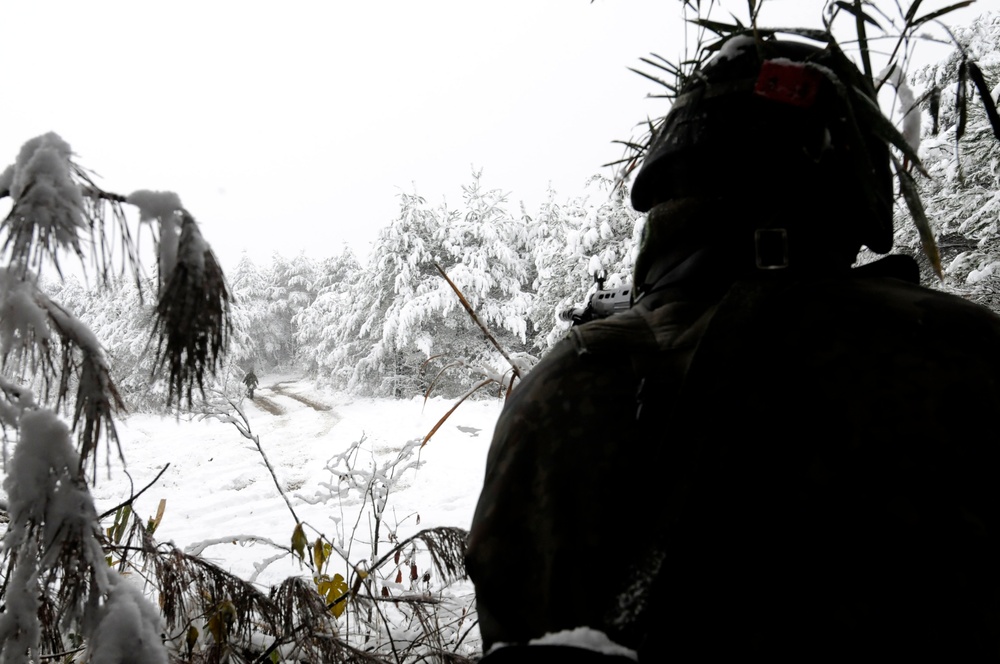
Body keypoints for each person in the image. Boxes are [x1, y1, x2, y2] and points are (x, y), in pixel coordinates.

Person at [466, 32, 1000, 661]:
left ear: (670, 182)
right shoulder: (956, 353)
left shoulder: (556, 384)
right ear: (851, 183)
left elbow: (511, 617)